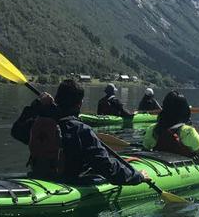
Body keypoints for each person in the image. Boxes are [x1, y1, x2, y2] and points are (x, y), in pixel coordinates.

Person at [11, 79, 149, 185]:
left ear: (56, 99)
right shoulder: (81, 130)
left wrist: (36, 105)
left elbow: (16, 131)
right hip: (71, 183)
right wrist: (137, 176)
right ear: (79, 104)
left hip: (39, 176)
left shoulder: (40, 124)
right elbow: (108, 168)